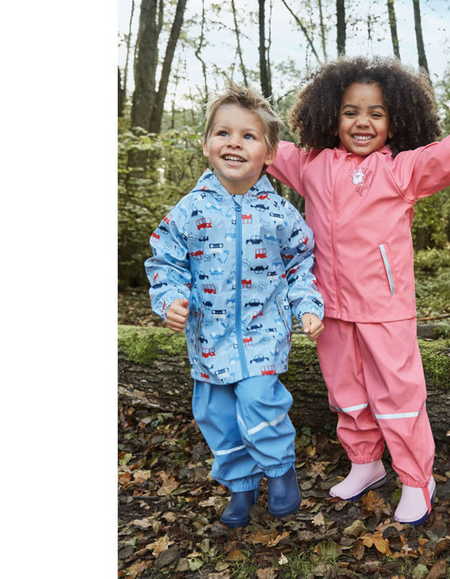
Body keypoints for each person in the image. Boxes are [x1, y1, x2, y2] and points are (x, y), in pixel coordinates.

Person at [267, 56, 450, 526]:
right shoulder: (312, 166)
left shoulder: (401, 171)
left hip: (385, 308)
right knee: (347, 394)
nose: (363, 121)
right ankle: (365, 462)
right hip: (328, 310)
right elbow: (263, 145)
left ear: (394, 121)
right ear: (329, 116)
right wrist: (234, 130)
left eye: (376, 113)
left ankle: (417, 479)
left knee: (398, 398)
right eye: (350, 112)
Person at [145, 83, 325, 528]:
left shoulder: (281, 213)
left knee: (260, 399)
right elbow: (164, 261)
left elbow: (302, 264)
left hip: (263, 332)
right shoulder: (189, 210)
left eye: (248, 136)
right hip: (207, 336)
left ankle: (280, 470)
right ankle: (241, 485)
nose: (234, 143)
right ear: (207, 144)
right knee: (216, 413)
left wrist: (308, 305)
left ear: (268, 154)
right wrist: (169, 298)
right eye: (223, 133)